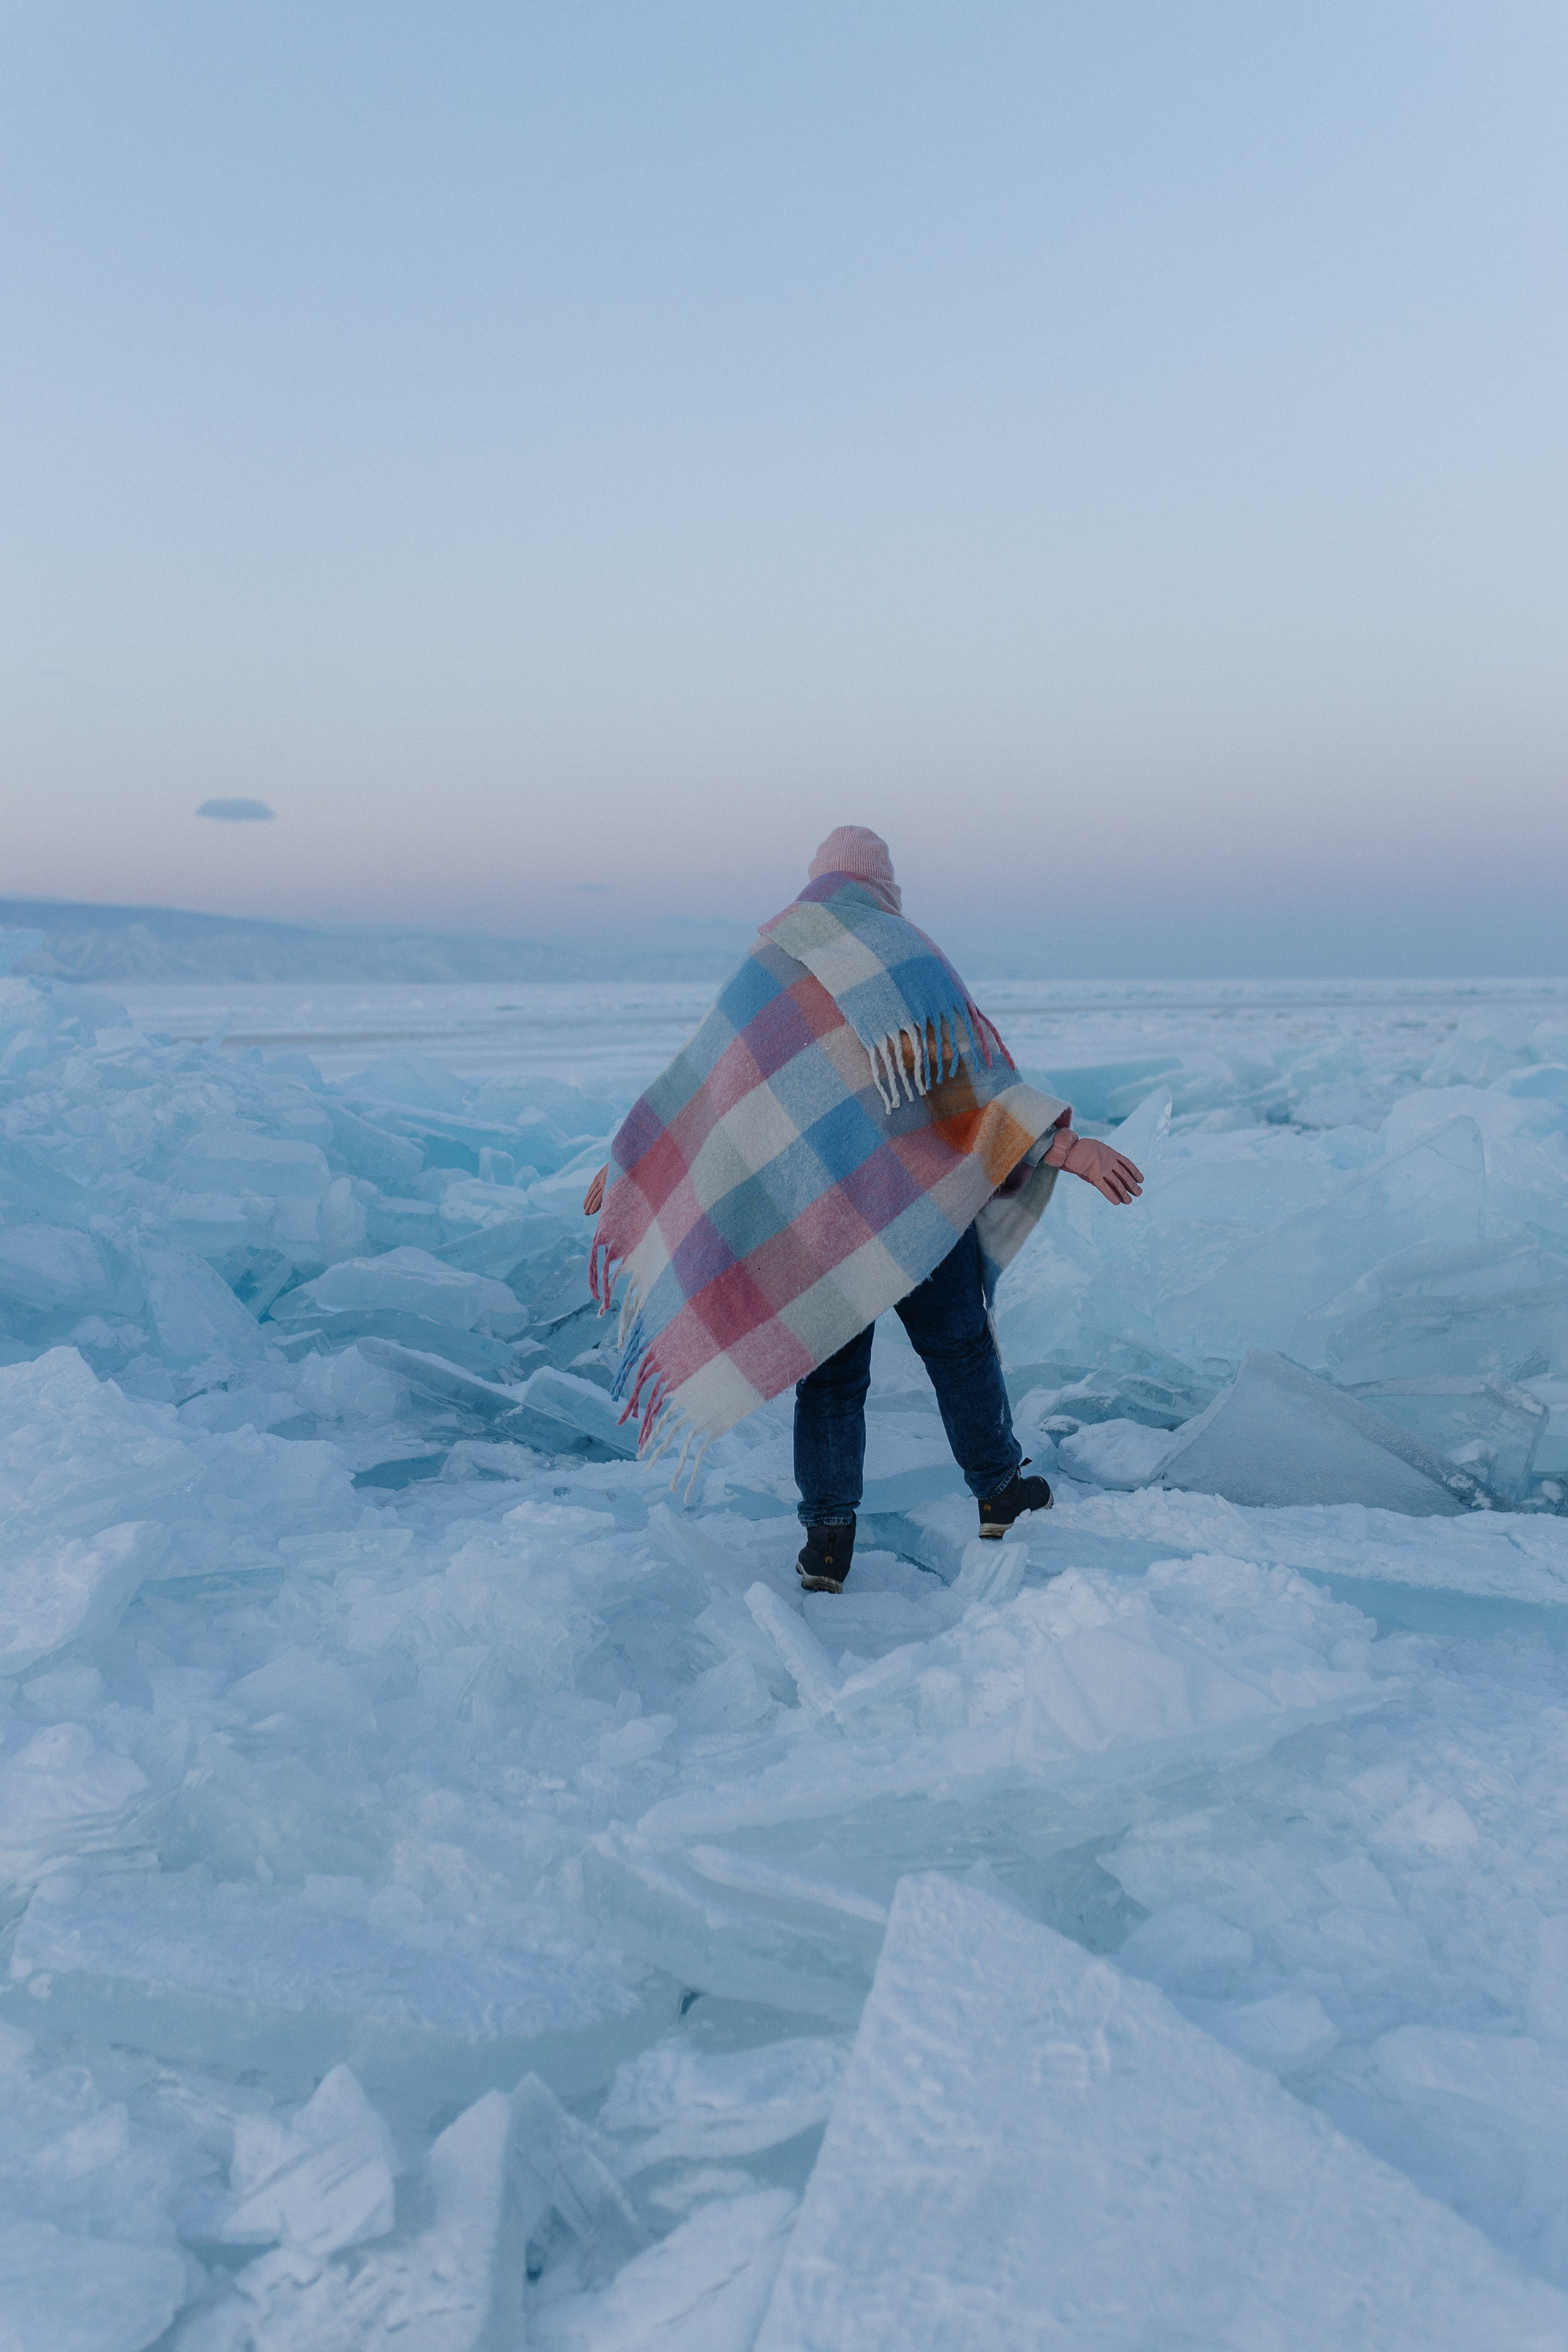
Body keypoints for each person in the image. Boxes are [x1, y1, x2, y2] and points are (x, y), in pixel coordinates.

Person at [584, 826, 1141, 1593]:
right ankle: (999, 1491)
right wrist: (1065, 1149)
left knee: (831, 1379)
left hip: (816, 1221)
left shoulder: (769, 964)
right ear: (884, 883)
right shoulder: (904, 951)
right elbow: (965, 1086)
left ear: (818, 876)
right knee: (960, 1351)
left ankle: (826, 1543)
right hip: (918, 1205)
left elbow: (711, 1095)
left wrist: (635, 1168)